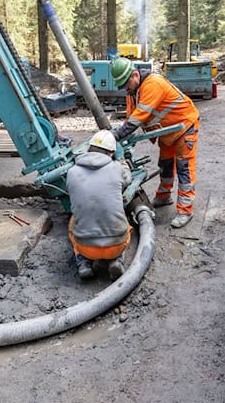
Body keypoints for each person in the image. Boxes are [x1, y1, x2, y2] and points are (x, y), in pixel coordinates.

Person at [110, 57, 200, 228]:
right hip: (168, 130)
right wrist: (123, 137)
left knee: (184, 167)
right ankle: (164, 195)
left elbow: (138, 119)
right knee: (165, 163)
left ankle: (185, 210)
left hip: (184, 125)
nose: (125, 90)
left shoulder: (153, 84)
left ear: (135, 75)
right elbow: (130, 119)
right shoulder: (133, 92)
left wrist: (116, 136)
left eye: (125, 85)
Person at [66, 130, 133, 280]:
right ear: (111, 153)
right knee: (125, 223)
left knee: (72, 221)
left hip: (86, 247)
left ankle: (83, 262)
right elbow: (128, 180)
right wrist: (122, 160)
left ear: (88, 149)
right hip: (116, 245)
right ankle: (117, 260)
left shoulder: (72, 172)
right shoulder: (116, 168)